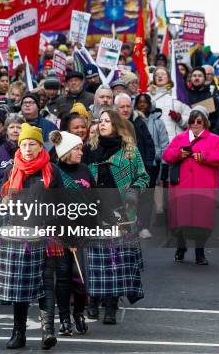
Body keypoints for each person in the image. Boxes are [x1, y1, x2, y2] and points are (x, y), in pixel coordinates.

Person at [0, 123, 64, 350]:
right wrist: (3, 203)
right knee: (20, 285)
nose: (27, 148)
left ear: (40, 145)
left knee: (46, 283)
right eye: (23, 144)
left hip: (46, 233)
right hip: (19, 235)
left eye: (32, 144)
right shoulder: (12, 170)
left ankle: (48, 332)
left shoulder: (53, 171)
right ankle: (19, 333)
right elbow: (2, 201)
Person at [83, 109, 149, 324]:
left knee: (115, 262)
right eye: (100, 121)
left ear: (117, 125)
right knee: (95, 261)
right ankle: (92, 301)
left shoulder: (130, 151)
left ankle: (111, 306)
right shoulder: (89, 149)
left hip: (120, 213)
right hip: (93, 212)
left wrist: (133, 191)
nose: (102, 124)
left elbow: (143, 176)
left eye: (107, 121)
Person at [162, 106, 219, 265]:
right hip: (182, 186)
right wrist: (178, 154)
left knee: (201, 221)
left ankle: (200, 253)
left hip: (203, 186)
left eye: (199, 121)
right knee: (181, 220)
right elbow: (166, 155)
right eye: (192, 121)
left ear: (205, 122)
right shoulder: (180, 138)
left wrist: (204, 156)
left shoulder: (215, 139)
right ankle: (181, 247)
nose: (195, 124)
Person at [49, 130, 95, 336]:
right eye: (77, 149)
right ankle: (65, 318)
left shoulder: (85, 170)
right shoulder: (54, 172)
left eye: (81, 149)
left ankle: (79, 313)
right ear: (66, 151)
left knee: (81, 277)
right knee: (64, 277)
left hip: (82, 232)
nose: (81, 153)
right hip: (60, 233)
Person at [134, 93, 170, 238]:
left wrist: (157, 156)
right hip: (134, 164)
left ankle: (145, 226)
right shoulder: (132, 121)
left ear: (150, 105)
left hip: (151, 165)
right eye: (140, 102)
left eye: (145, 102)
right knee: (133, 194)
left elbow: (164, 144)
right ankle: (133, 224)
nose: (143, 105)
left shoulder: (158, 123)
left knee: (147, 196)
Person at [0, 113, 23, 183]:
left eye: (19, 127)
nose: (15, 130)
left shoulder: (29, 149)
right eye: (12, 127)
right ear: (6, 130)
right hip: (1, 189)